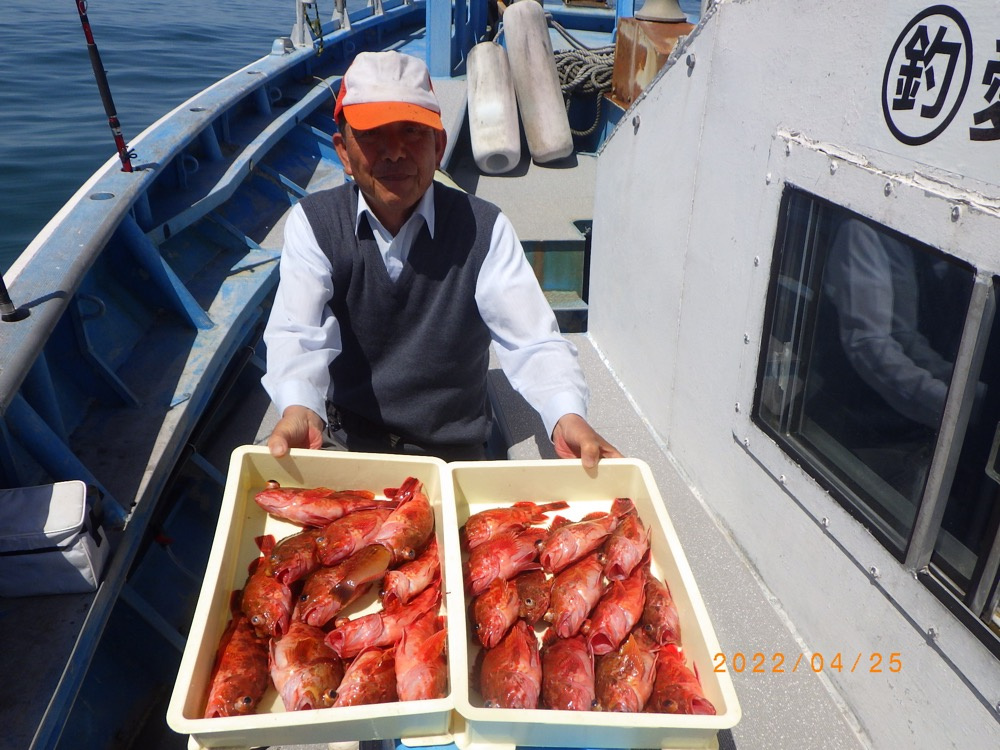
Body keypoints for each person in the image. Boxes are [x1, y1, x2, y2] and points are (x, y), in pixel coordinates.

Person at [262, 50, 621, 466]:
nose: (394, 152)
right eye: (373, 134)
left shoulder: (484, 228)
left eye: (412, 132)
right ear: (343, 152)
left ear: (438, 146)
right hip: (347, 443)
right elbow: (297, 331)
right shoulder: (315, 223)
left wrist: (567, 417)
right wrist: (299, 409)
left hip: (453, 453)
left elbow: (532, 340)